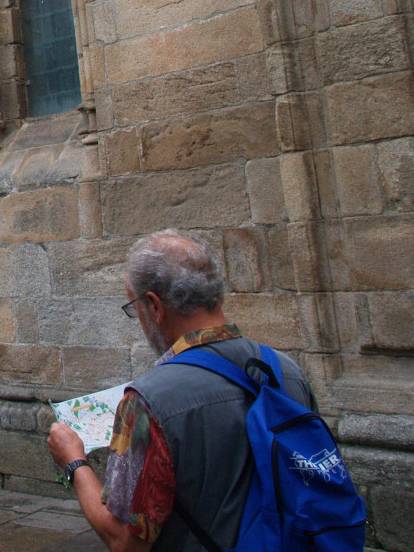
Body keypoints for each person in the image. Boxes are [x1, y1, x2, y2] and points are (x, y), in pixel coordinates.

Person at [47, 229, 321, 551]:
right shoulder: (286, 370)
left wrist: (75, 462)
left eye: (135, 308)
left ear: (154, 306)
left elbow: (126, 541)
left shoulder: (147, 402)